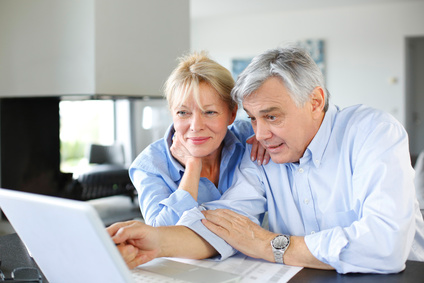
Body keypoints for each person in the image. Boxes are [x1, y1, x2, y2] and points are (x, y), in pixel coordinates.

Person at [107, 45, 424, 274]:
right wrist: (155, 240)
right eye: (254, 119)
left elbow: (385, 248)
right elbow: (225, 223)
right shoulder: (263, 154)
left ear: (315, 101)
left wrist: (269, 244)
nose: (259, 134)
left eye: (271, 117)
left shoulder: (373, 133)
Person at [129, 51, 268, 226]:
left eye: (209, 112)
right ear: (172, 113)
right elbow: (161, 233)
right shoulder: (150, 164)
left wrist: (268, 139)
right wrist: (192, 167)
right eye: (183, 113)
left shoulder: (249, 137)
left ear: (232, 114)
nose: (195, 126)